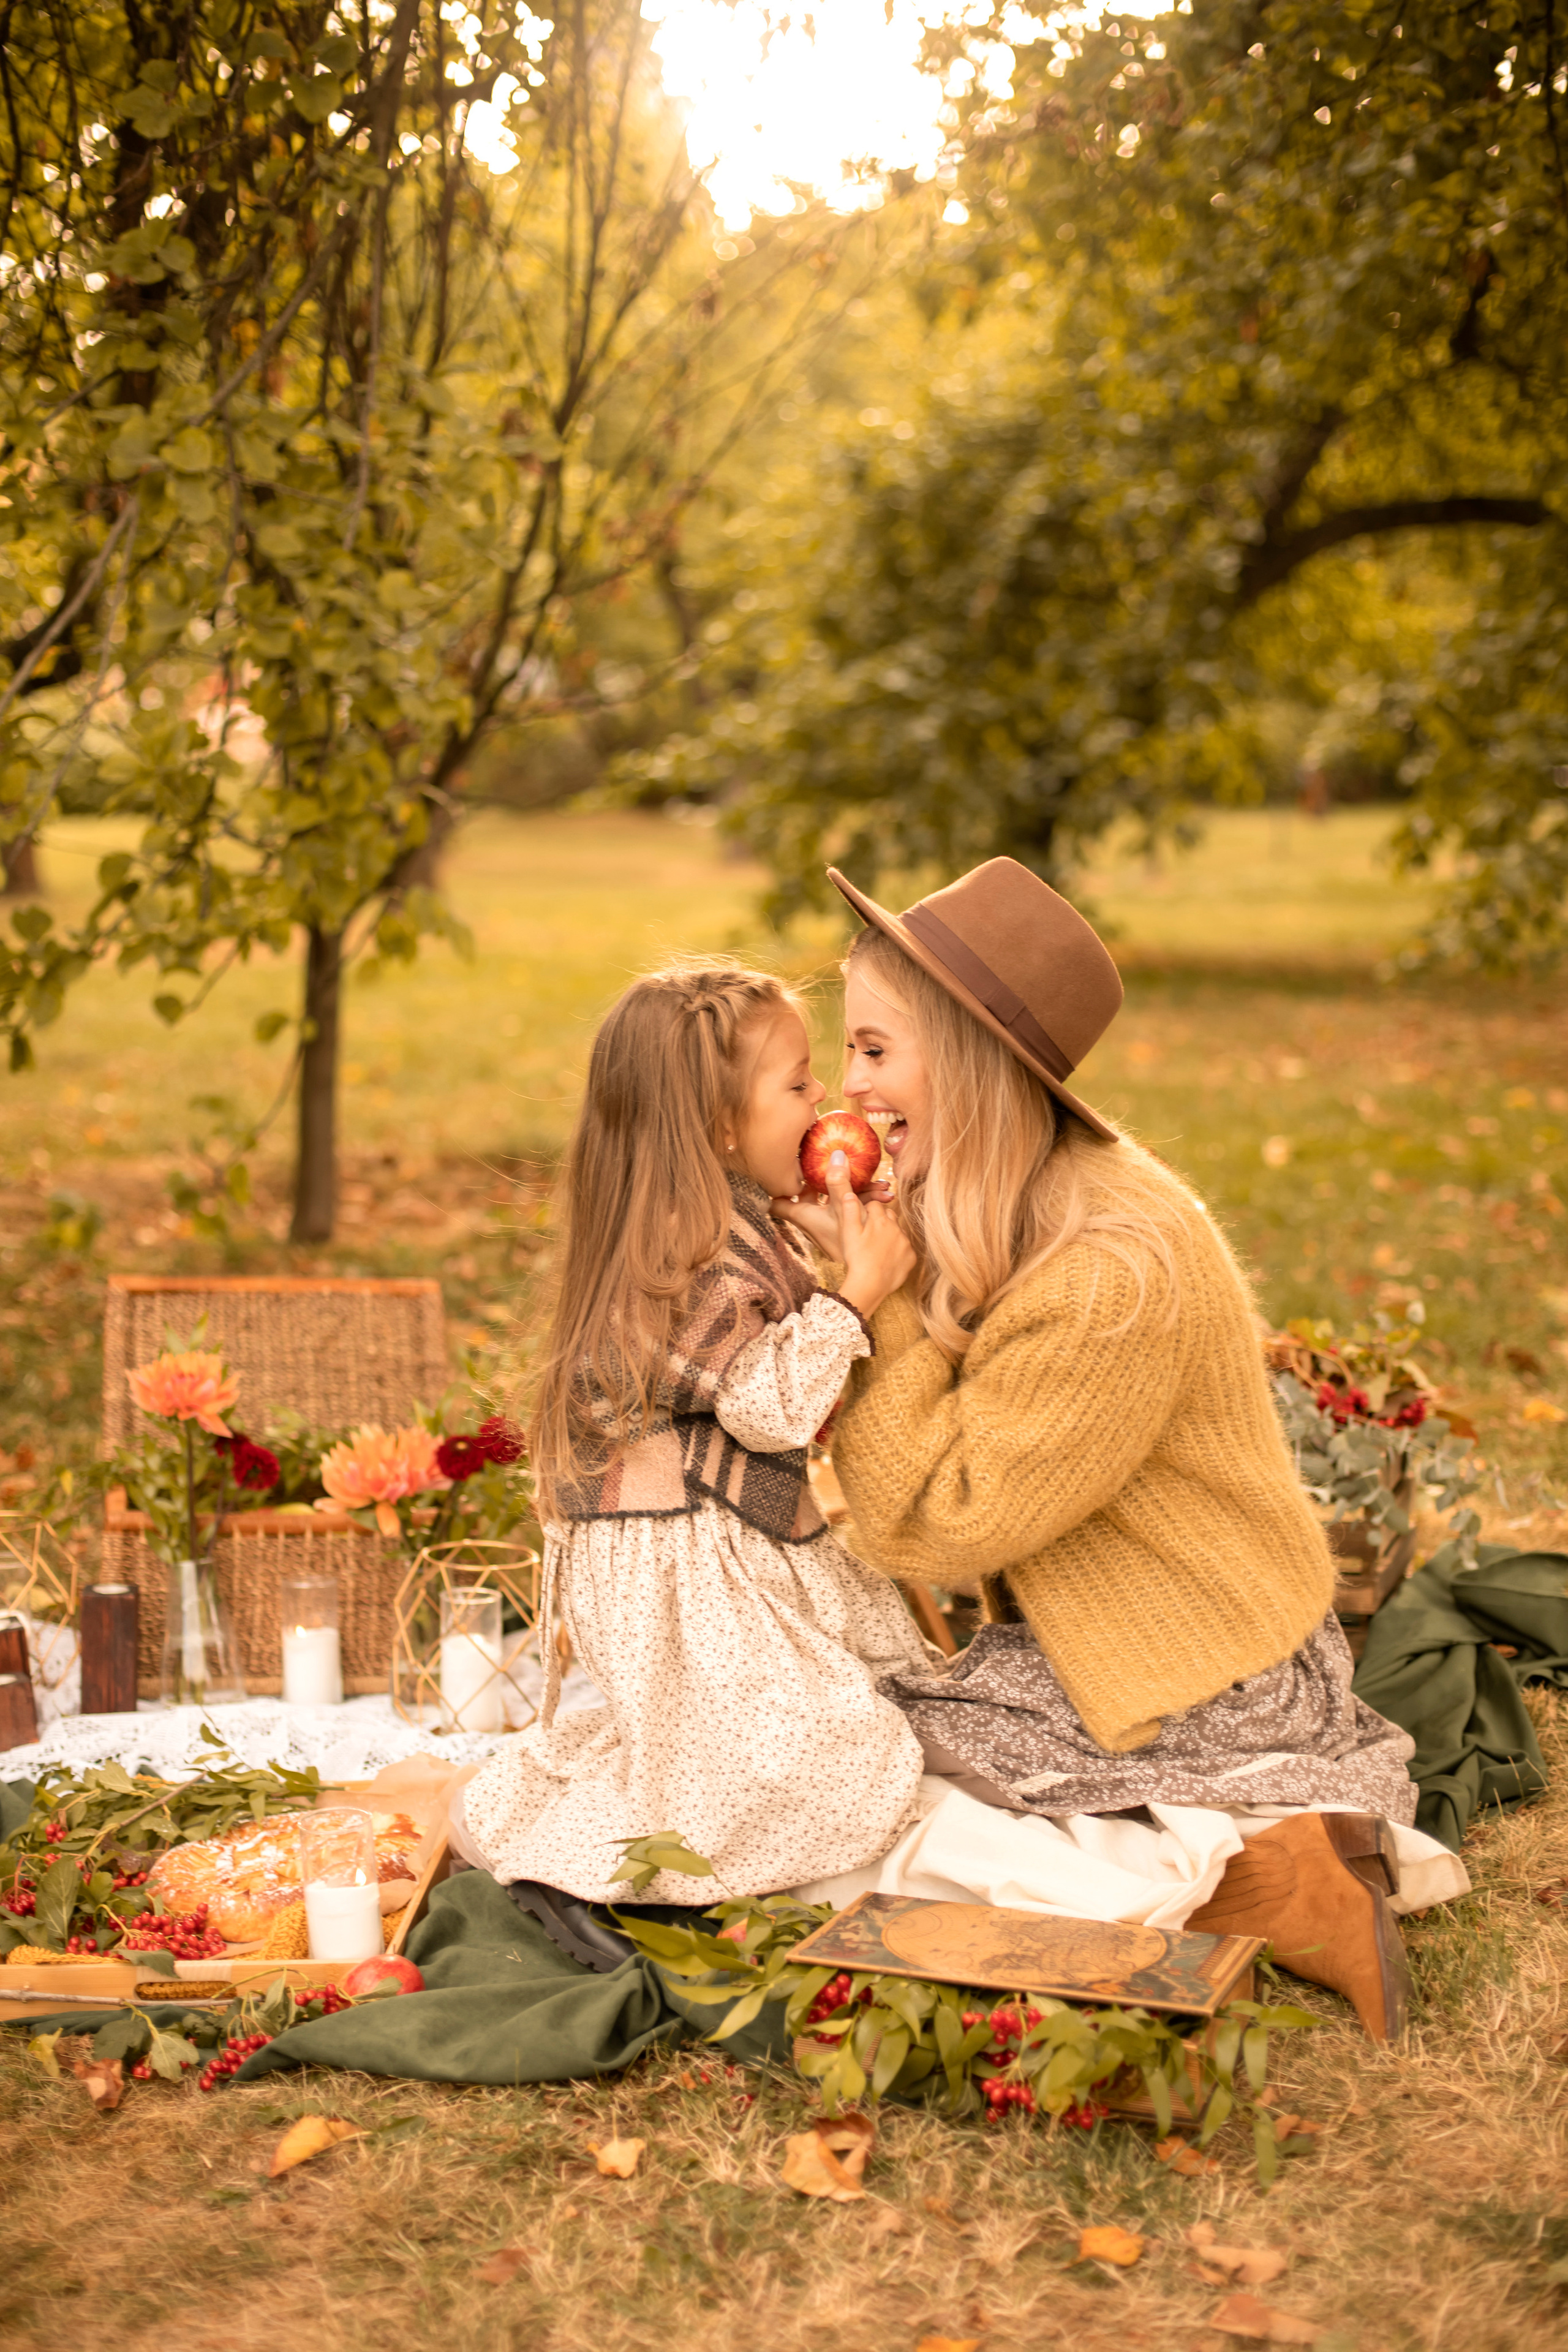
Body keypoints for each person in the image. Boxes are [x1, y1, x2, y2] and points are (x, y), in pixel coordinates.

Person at [772, 858, 1467, 2040]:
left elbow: (934, 1521)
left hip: (1202, 1679)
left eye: (877, 1053)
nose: (851, 1085)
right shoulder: (1020, 1190)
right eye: (848, 1052)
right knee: (809, 1719)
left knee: (828, 1766)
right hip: (1135, 1641)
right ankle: (1258, 1863)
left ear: (975, 1065)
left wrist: (873, 1302)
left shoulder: (1109, 1268)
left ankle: (1262, 1884)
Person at [457, 961, 932, 1924]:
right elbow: (767, 1410)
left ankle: (698, 1804)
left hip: (707, 1546)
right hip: (685, 1567)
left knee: (824, 1724)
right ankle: (619, 1852)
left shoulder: (714, 1219)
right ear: (722, 1128)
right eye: (798, 1083)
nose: (825, 1097)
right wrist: (861, 1290)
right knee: (817, 1766)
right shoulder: (696, 1254)